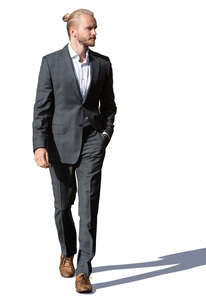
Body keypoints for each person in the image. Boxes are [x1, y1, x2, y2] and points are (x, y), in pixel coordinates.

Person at [32, 8, 117, 293]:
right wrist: (39, 144)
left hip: (92, 142)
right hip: (58, 144)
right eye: (90, 28)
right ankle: (66, 252)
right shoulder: (51, 63)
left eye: (95, 28)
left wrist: (105, 135)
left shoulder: (103, 64)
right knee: (62, 206)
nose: (95, 32)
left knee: (88, 207)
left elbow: (110, 106)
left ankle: (84, 270)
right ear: (74, 32)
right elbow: (41, 108)